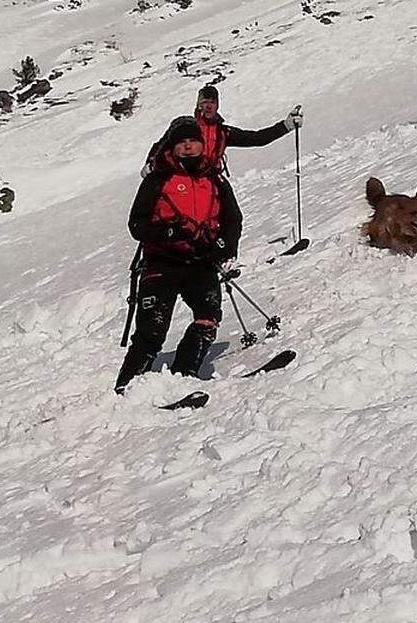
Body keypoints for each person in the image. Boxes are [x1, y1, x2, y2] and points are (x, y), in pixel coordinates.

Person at [115, 116, 242, 393]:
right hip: (161, 263)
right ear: (171, 148)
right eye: (181, 142)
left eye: (192, 141)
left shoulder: (214, 179)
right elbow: (137, 223)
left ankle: (183, 377)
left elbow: (233, 220)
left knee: (208, 318)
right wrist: (167, 233)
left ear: (201, 144)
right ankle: (125, 390)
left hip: (201, 262)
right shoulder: (157, 179)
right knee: (152, 332)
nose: (187, 147)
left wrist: (224, 246)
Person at [143, 85, 303, 178]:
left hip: (209, 179)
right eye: (204, 102)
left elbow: (256, 138)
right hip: (180, 178)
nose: (208, 106)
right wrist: (150, 164)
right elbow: (161, 145)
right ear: (198, 105)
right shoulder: (184, 127)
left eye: (212, 102)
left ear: (217, 105)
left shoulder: (223, 133)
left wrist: (286, 126)